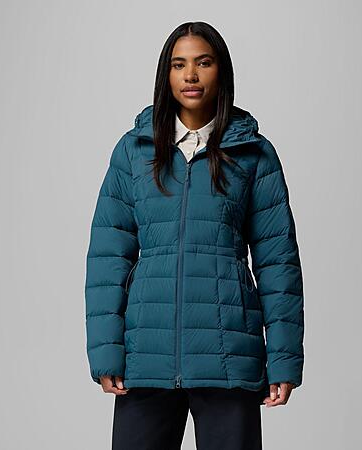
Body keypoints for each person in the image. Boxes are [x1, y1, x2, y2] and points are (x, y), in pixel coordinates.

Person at [84, 21, 304, 450]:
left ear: (221, 71)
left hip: (230, 358)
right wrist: (106, 352)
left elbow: (278, 262)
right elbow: (108, 256)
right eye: (178, 64)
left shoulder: (253, 153)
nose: (190, 75)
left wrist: (283, 359)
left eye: (203, 63)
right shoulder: (134, 151)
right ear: (165, 75)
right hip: (146, 359)